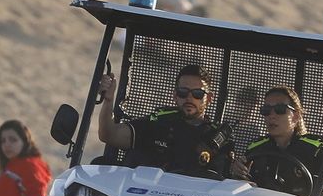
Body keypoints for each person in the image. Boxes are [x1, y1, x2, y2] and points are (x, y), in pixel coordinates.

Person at [95, 64, 233, 178]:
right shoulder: (159, 121)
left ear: (208, 99)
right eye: (183, 92)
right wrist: (108, 100)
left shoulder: (218, 137)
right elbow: (108, 134)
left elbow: (221, 180)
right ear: (175, 96)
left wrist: (238, 171)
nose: (189, 99)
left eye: (197, 94)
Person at [240, 86, 323, 196]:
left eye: (280, 110)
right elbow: (240, 195)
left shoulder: (314, 150)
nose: (271, 116)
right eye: (266, 110)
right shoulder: (256, 149)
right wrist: (237, 172)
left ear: (296, 116)